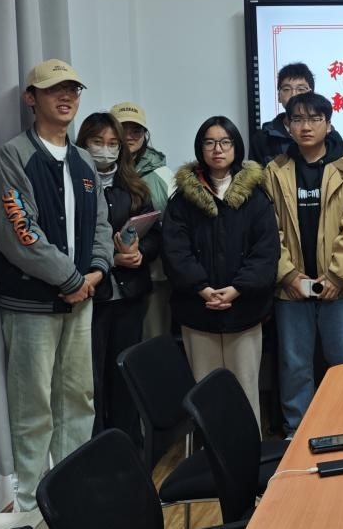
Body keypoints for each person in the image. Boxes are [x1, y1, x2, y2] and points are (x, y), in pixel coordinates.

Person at [0, 59, 112, 520]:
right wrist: (71, 279)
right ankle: (31, 509)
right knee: (33, 406)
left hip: (82, 300)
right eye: (54, 90)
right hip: (32, 305)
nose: (66, 98)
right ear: (31, 98)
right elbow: (19, 231)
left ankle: (73, 497)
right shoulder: (14, 155)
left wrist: (96, 271)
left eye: (73, 90)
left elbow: (101, 223)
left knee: (78, 399)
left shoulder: (83, 160)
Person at [163, 116, 278, 427]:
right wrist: (202, 289)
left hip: (245, 310)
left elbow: (266, 253)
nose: (218, 149)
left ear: (236, 147)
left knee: (245, 390)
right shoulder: (182, 200)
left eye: (225, 142)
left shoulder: (256, 198)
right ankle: (210, 453)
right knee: (206, 392)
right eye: (210, 143)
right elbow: (175, 252)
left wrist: (237, 289)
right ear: (200, 148)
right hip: (198, 310)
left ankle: (248, 453)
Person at [265, 92, 343, 435]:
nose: (306, 126)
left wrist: (336, 276)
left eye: (314, 119)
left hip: (338, 288)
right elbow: (270, 231)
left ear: (328, 123)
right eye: (298, 119)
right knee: (294, 365)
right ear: (287, 125)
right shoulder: (275, 171)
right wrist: (288, 275)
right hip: (291, 288)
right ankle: (297, 431)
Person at [75, 112, 161, 442]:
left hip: (130, 296)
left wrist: (140, 254)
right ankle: (97, 447)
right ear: (83, 144)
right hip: (91, 296)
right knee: (91, 379)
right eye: (97, 142)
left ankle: (128, 446)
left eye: (113, 143)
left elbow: (156, 236)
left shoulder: (134, 187)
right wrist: (110, 258)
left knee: (125, 375)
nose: (106, 149)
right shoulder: (74, 184)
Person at [110, 101, 175, 340]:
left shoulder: (163, 175)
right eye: (122, 129)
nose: (129, 136)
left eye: (136, 130)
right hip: (106, 276)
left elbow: (173, 228)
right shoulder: (97, 170)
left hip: (154, 275)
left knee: (150, 342)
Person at [250, 61, 343, 165]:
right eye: (286, 89)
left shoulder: (330, 136)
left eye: (301, 89)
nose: (294, 94)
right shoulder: (262, 138)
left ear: (311, 94)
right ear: (278, 96)